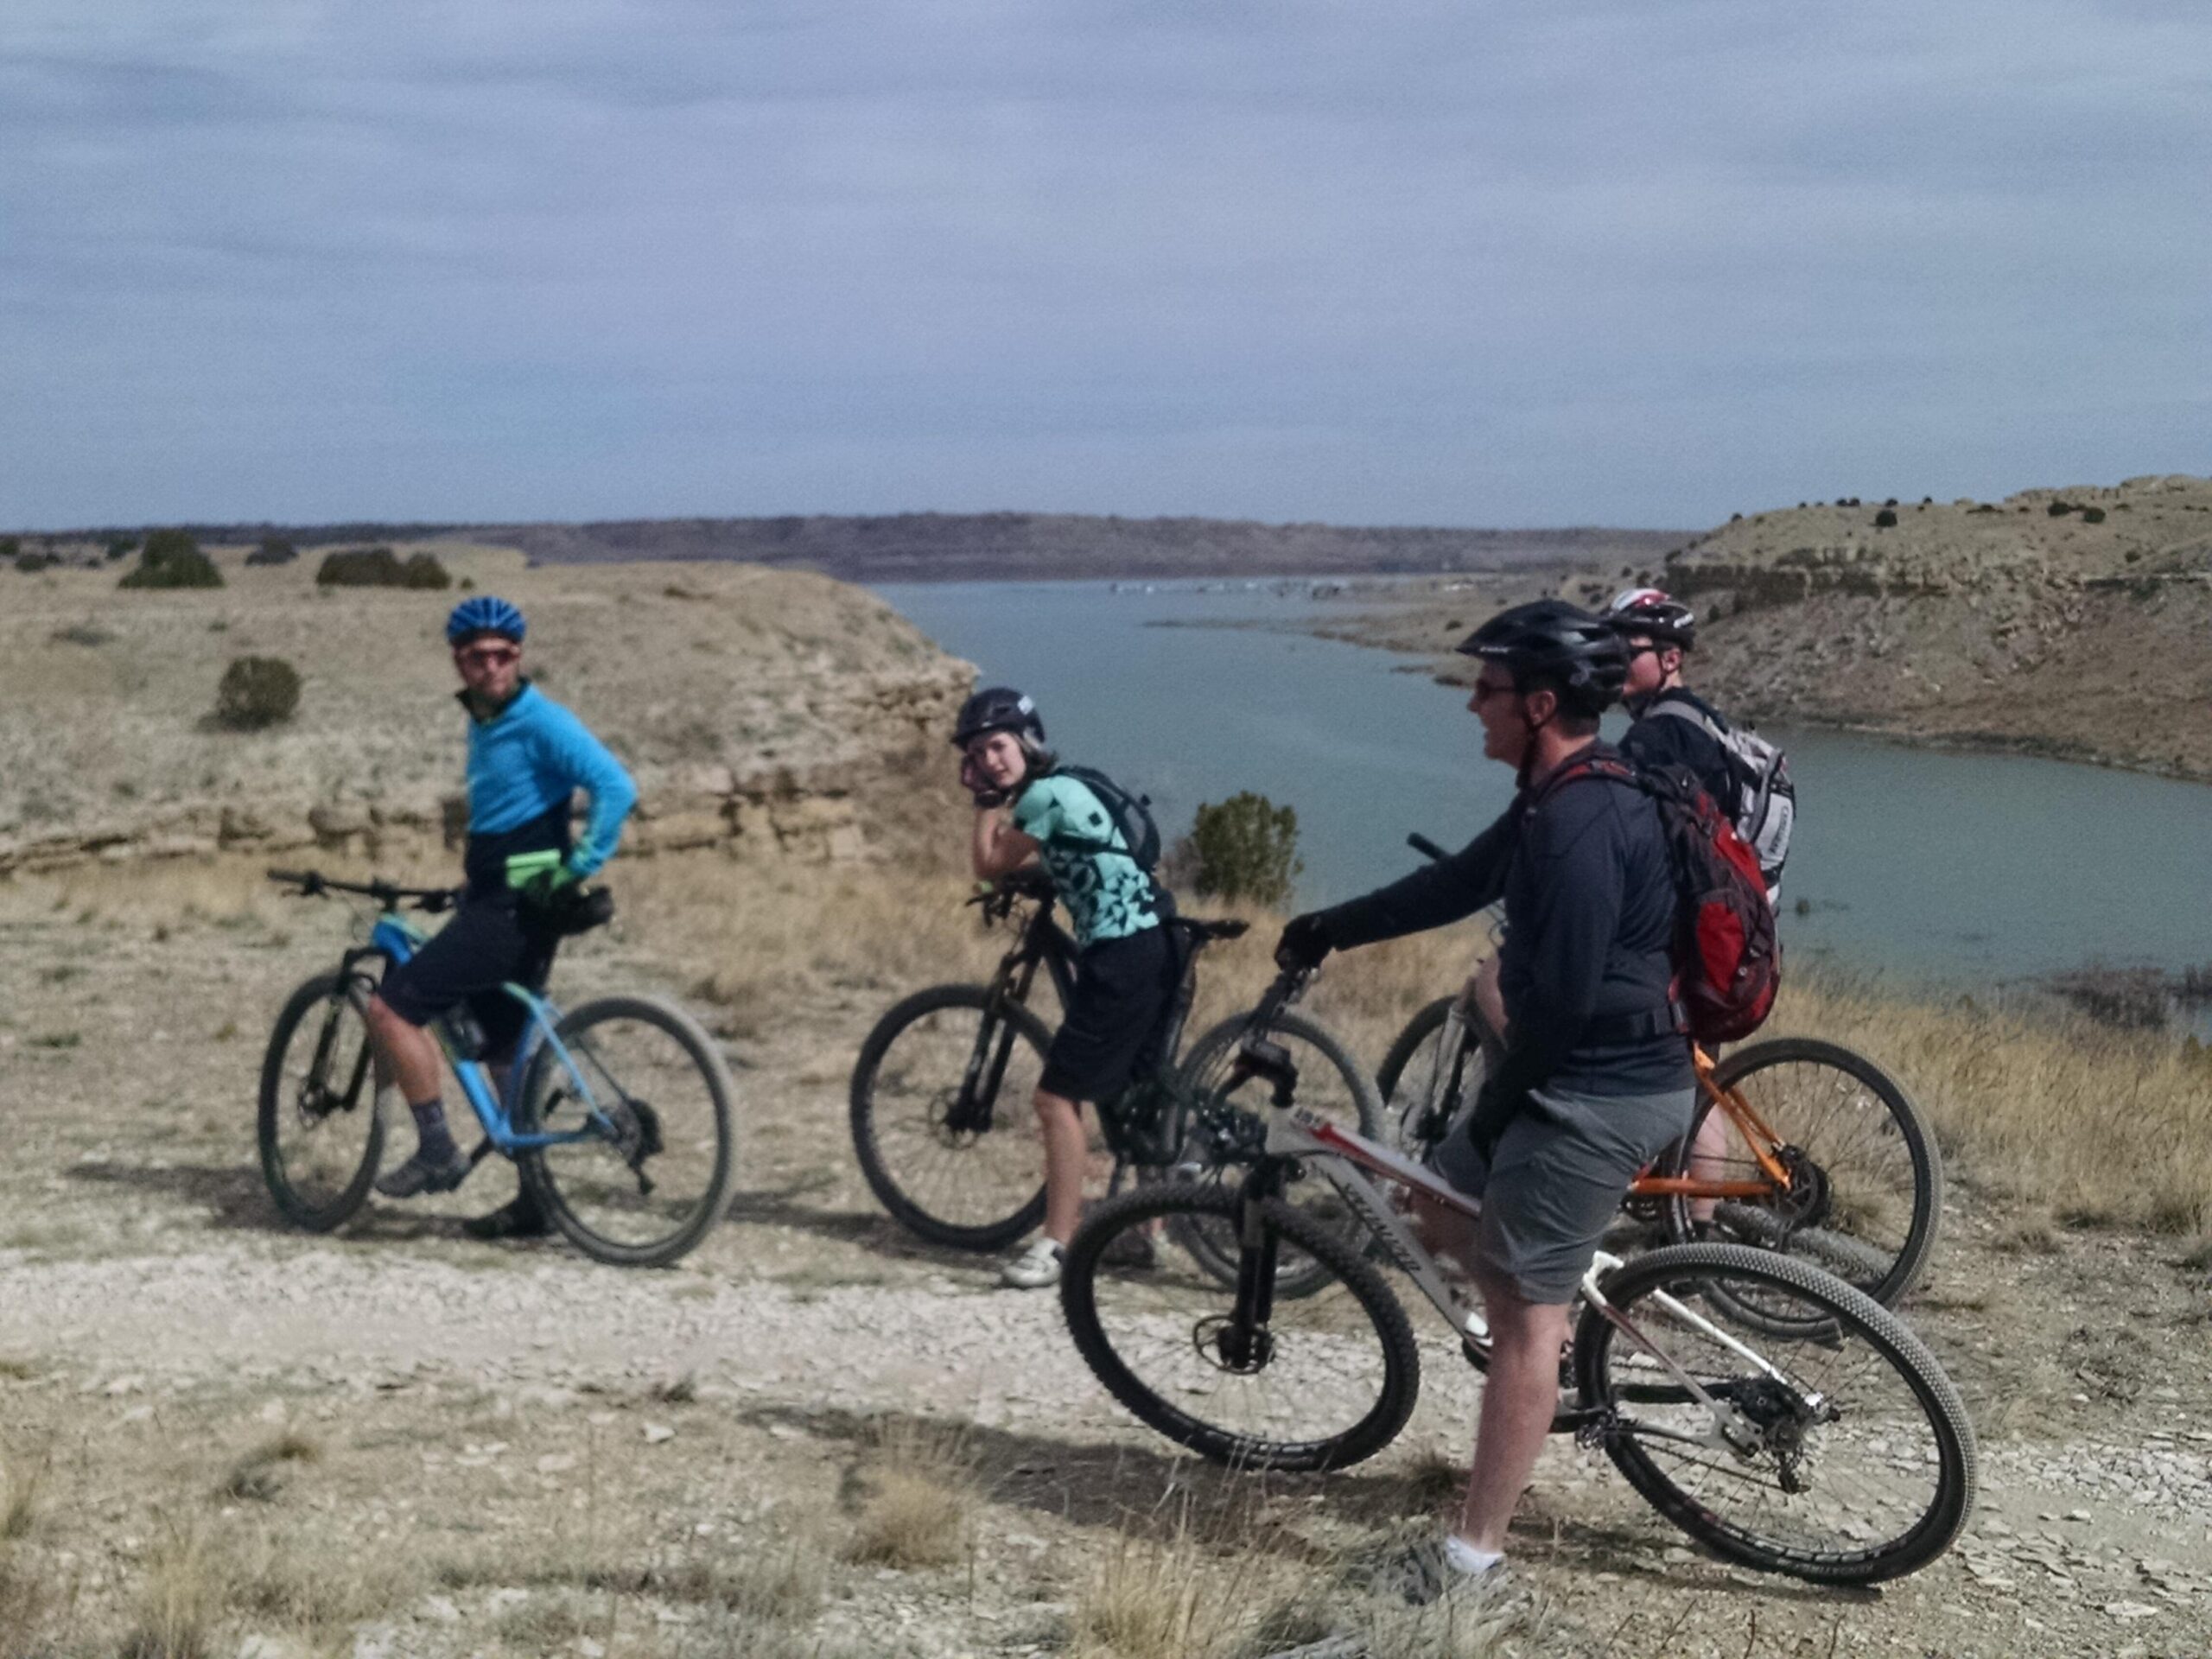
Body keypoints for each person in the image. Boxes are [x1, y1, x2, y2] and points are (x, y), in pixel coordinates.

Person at [1274, 600, 1694, 1603]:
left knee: (1518, 1320)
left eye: (1487, 689)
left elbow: (1566, 1003)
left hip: (1604, 1091)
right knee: (1431, 1199)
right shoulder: (1552, 799)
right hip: (1573, 1077)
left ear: (1539, 703)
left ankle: (1473, 1559)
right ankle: (1544, 1313)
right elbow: (1455, 885)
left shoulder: (1584, 820)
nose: (1471, 705)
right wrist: (1326, 927)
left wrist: (1503, 1106)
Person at [362, 595, 638, 1239]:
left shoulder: (540, 720)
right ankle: (536, 1199)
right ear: (458, 660)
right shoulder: (486, 721)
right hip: (500, 901)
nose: (490, 665)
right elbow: (507, 818)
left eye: (503, 654)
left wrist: (577, 868)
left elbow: (616, 787)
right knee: (504, 1047)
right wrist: (471, 886)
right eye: (477, 655)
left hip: (517, 910)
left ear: (517, 656)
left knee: (390, 1009)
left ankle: (436, 1147)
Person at [956, 687, 1176, 1289]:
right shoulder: (1068, 785)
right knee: (1134, 1092)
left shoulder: (1043, 797)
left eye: (997, 747)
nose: (991, 760)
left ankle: (1058, 1243)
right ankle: (1148, 1231)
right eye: (978, 753)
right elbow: (1072, 854)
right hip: (1153, 940)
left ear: (1027, 743)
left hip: (1120, 953)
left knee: (1056, 1100)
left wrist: (985, 802)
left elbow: (988, 860)